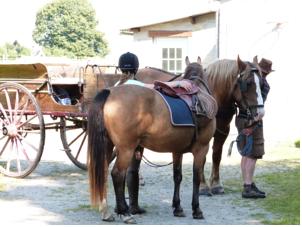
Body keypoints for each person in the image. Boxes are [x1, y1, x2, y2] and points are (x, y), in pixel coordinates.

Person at [236, 58, 273, 199]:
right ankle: (247, 186)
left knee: (246, 153)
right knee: (253, 154)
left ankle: (248, 183)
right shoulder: (263, 84)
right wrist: (254, 123)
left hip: (241, 118)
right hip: (253, 120)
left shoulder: (247, 79)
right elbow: (258, 107)